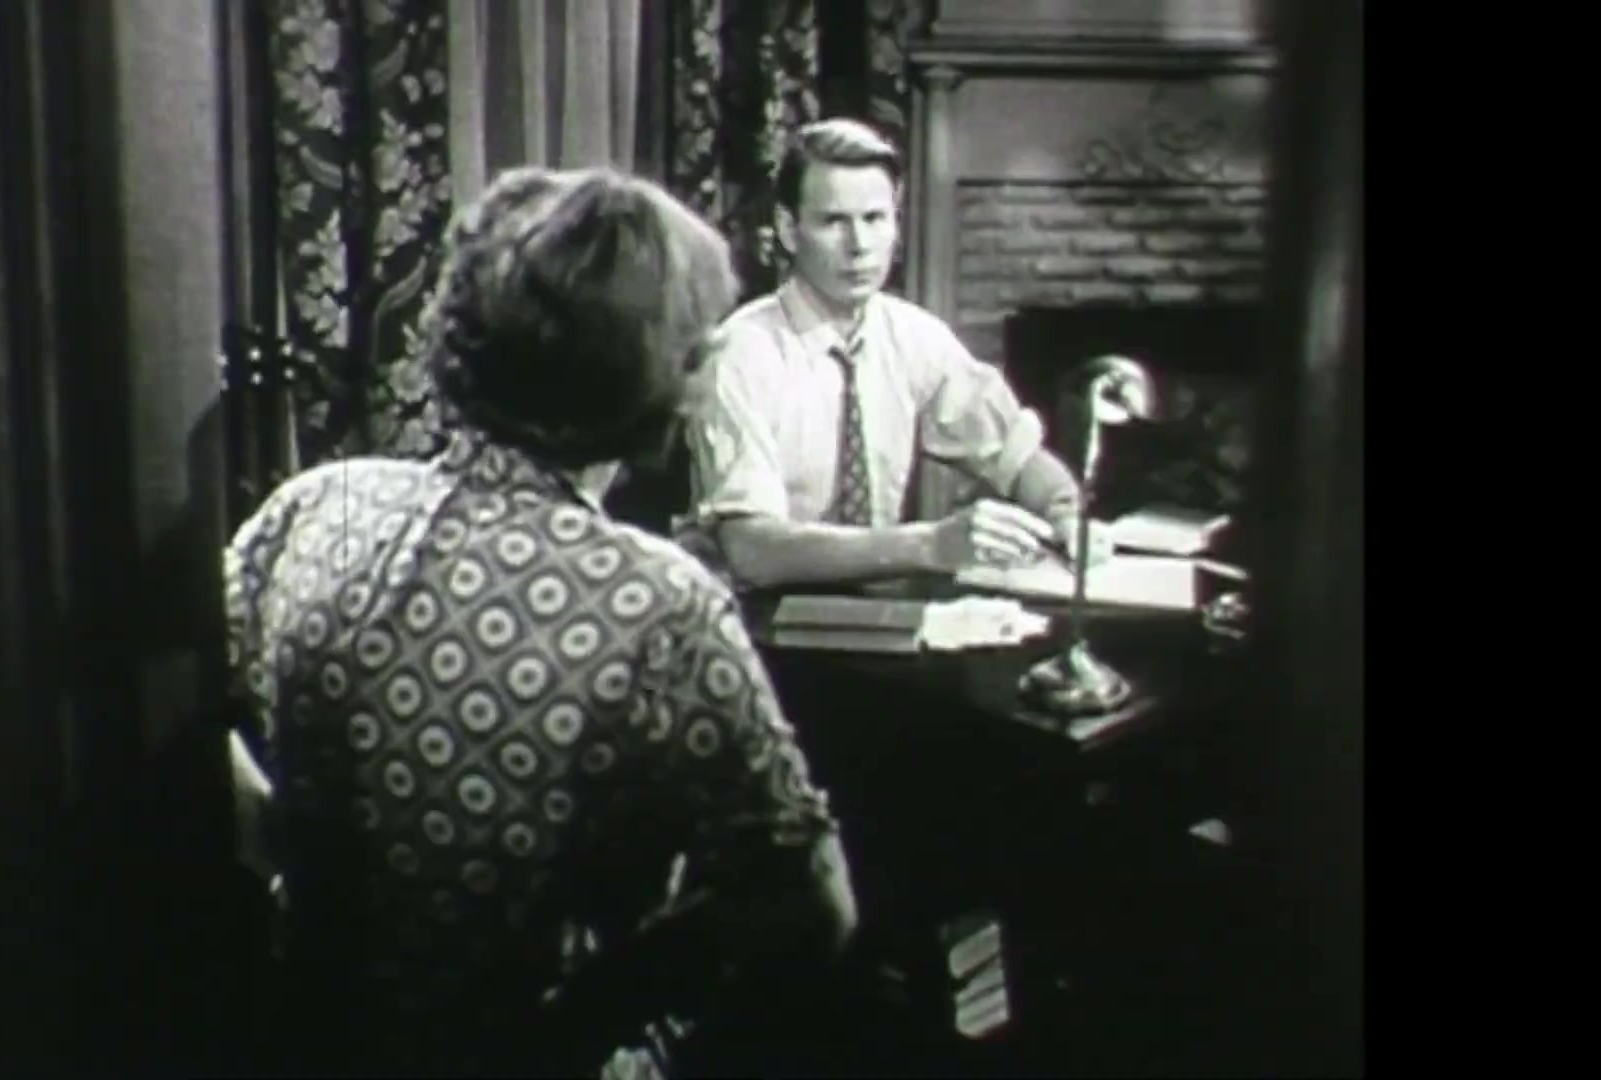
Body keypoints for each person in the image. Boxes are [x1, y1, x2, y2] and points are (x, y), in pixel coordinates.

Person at [221, 165, 858, 1077]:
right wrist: (592, 1014)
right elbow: (810, 906)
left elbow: (179, 706)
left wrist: (282, 842)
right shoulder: (656, 601)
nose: (711, 362)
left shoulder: (324, 504)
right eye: (693, 344)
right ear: (642, 371)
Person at [685, 118, 1109, 592]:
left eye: (874, 219)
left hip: (875, 621)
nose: (860, 246)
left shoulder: (914, 336)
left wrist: (1065, 514)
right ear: (788, 228)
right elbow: (752, 550)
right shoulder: (739, 354)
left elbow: (1017, 455)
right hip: (757, 626)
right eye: (834, 222)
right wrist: (931, 545)